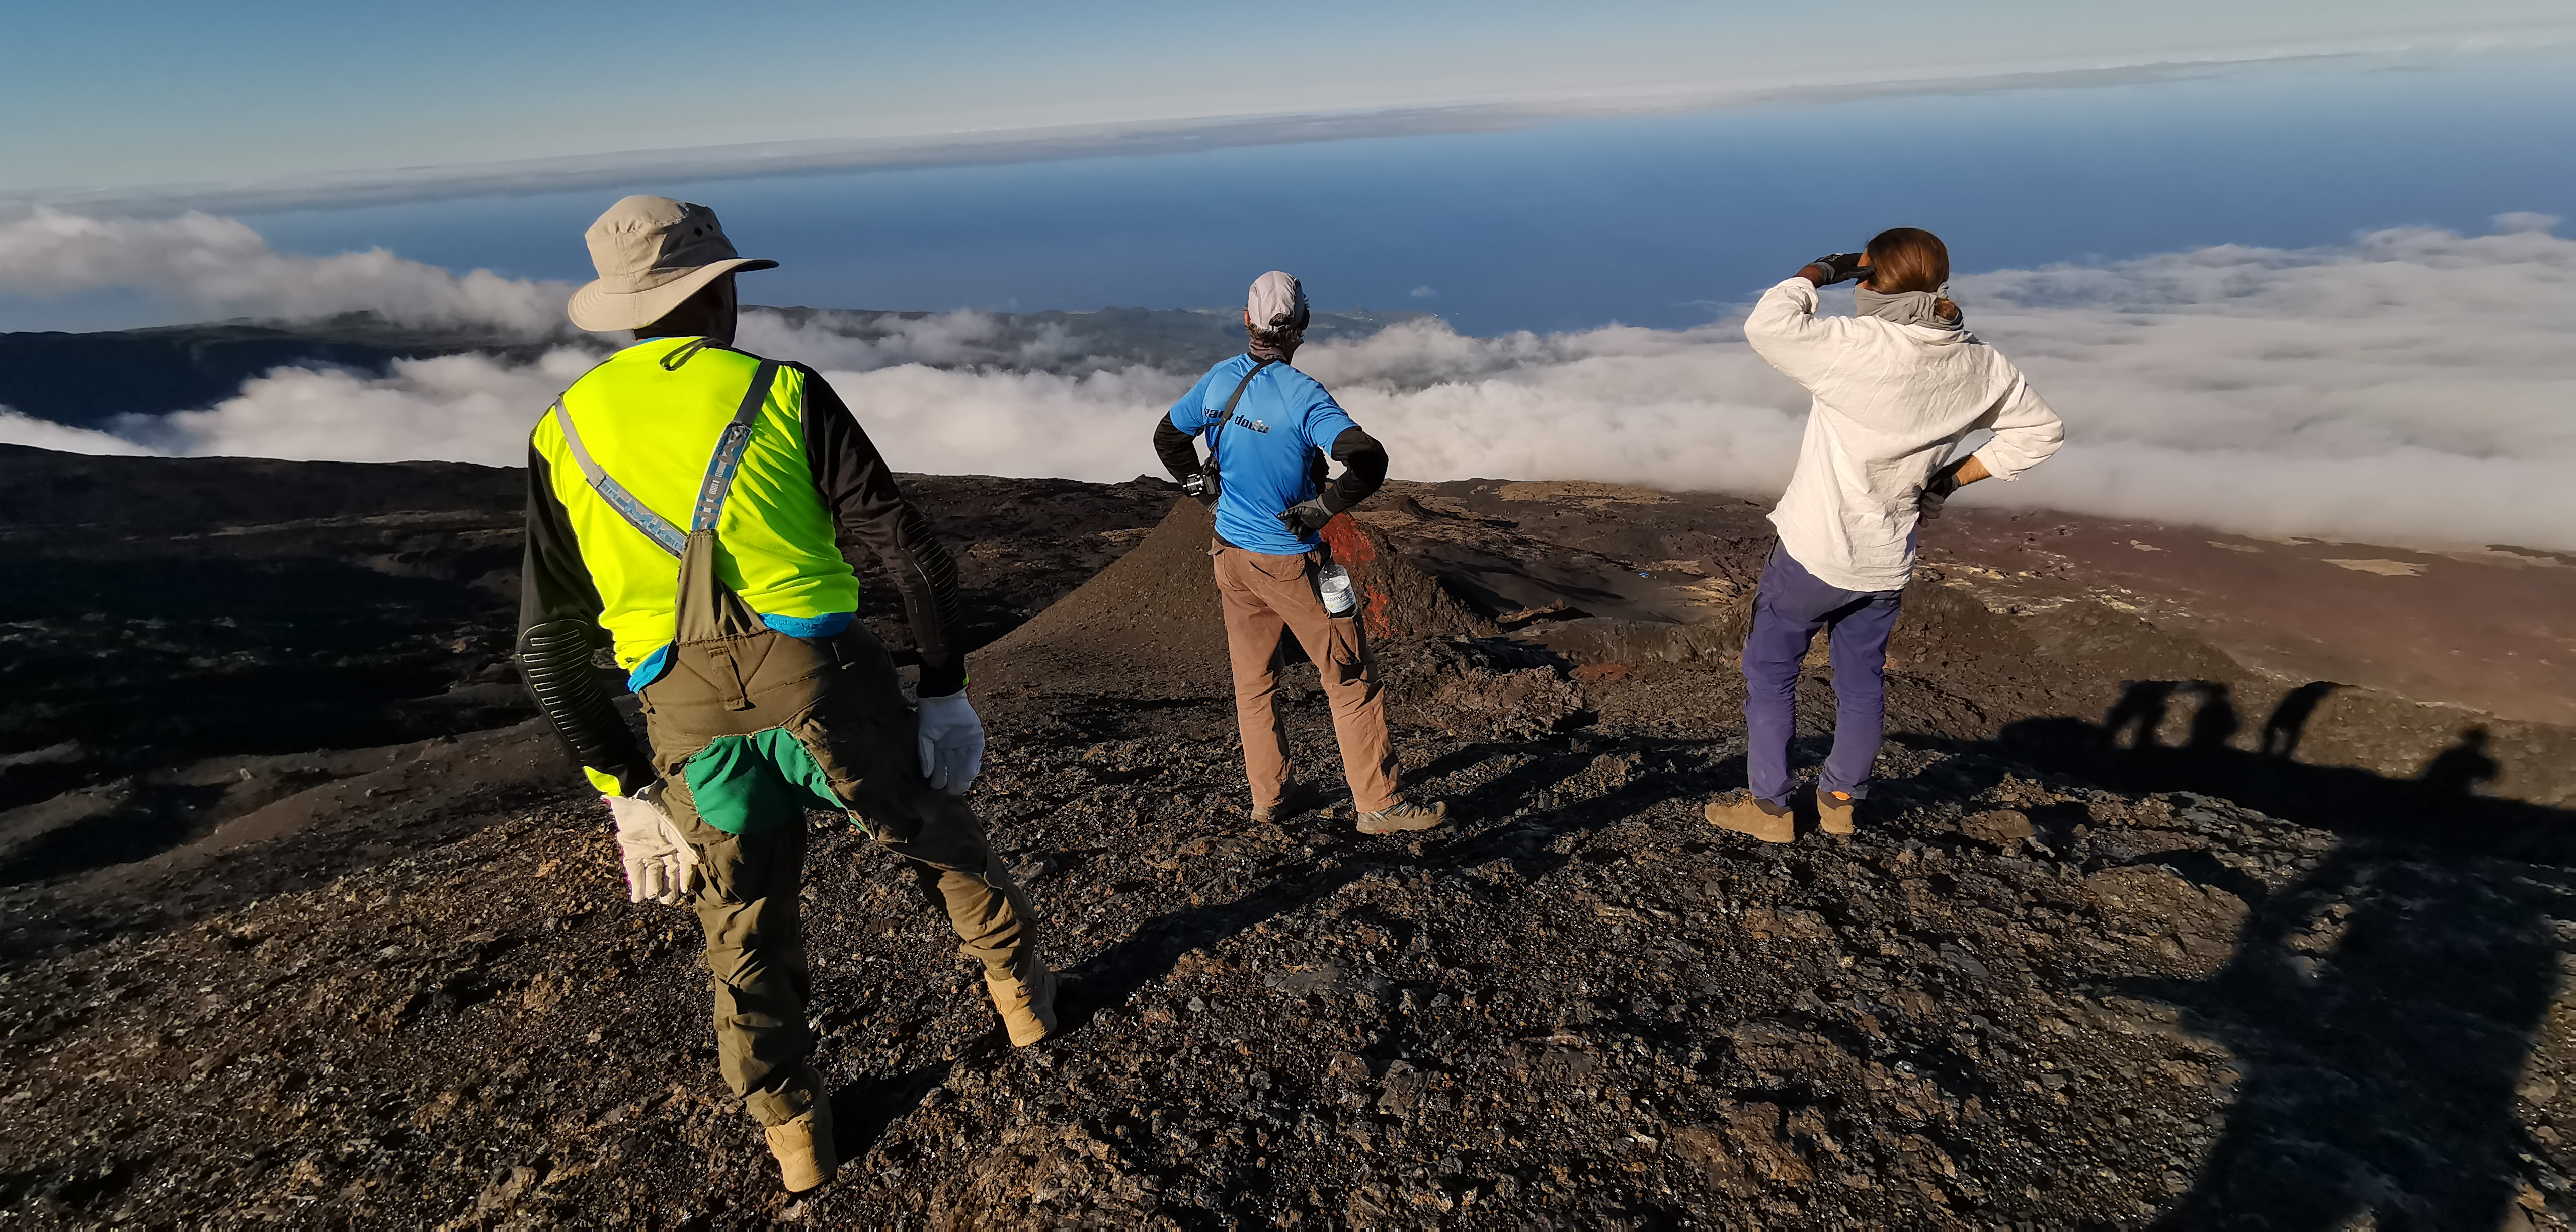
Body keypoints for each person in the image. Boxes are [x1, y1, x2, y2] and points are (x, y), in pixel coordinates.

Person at [517, 196, 1057, 1193]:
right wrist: (944, 690)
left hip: (686, 719)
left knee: (744, 926)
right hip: (825, 687)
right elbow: (913, 557)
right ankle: (1024, 1007)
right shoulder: (782, 390)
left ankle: (797, 1141)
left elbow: (545, 649)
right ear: (714, 293)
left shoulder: (561, 433)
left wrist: (626, 790)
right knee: (937, 837)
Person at [1708, 228, 2065, 842]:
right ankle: (1839, 802)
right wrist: (1950, 479)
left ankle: (1769, 810)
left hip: (1813, 553)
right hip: (1885, 560)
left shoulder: (1858, 346)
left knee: (1770, 675)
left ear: (1870, 282)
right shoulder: (1980, 364)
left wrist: (1818, 272)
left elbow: (1767, 326)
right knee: (1860, 684)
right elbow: (2041, 432)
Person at [1151, 271, 1446, 835]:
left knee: (1254, 683)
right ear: (1303, 325)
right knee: (1351, 677)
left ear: (1247, 321)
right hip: (1291, 561)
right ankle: (1379, 805)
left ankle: (1272, 797)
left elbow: (1168, 437)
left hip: (1230, 555)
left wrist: (1202, 493)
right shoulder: (1302, 395)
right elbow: (1368, 460)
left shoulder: (1220, 381)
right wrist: (1323, 508)